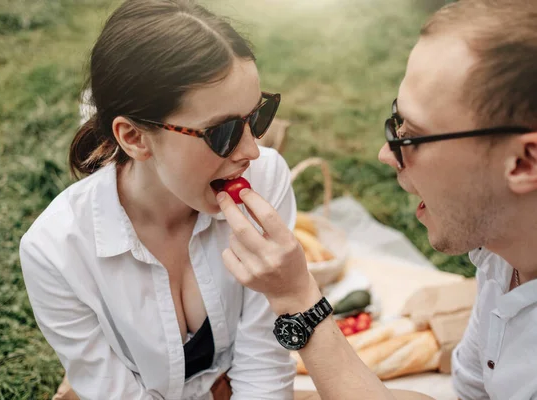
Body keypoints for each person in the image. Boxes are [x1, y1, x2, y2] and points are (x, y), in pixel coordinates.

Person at [215, 0, 537, 399]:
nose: (386, 154)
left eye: (411, 136)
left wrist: (298, 300)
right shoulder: (502, 257)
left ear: (523, 163)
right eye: (394, 121)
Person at [19, 0, 298, 398]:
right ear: (133, 138)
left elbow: (265, 360)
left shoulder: (265, 179)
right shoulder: (56, 252)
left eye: (258, 116)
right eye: (222, 132)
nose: (251, 151)